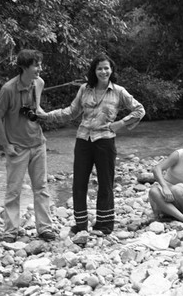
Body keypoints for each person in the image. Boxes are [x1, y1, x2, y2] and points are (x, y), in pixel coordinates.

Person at [39, 53, 145, 235]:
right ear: (94, 71)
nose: (103, 72)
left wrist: (121, 123)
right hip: (83, 140)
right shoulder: (84, 89)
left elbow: (139, 110)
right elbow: (71, 112)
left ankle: (104, 225)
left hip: (105, 141)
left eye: (106, 68)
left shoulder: (119, 92)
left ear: (111, 70)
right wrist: (47, 116)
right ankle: (80, 225)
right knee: (79, 183)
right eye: (99, 68)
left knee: (106, 183)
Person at [0, 49, 55, 242]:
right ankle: (11, 231)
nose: (39, 69)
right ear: (24, 67)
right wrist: (6, 145)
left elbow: (36, 108)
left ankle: (45, 228)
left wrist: (43, 114)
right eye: (36, 65)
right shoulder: (8, 89)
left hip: (38, 143)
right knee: (13, 190)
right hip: (17, 146)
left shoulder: (39, 83)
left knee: (41, 187)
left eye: (40, 64)